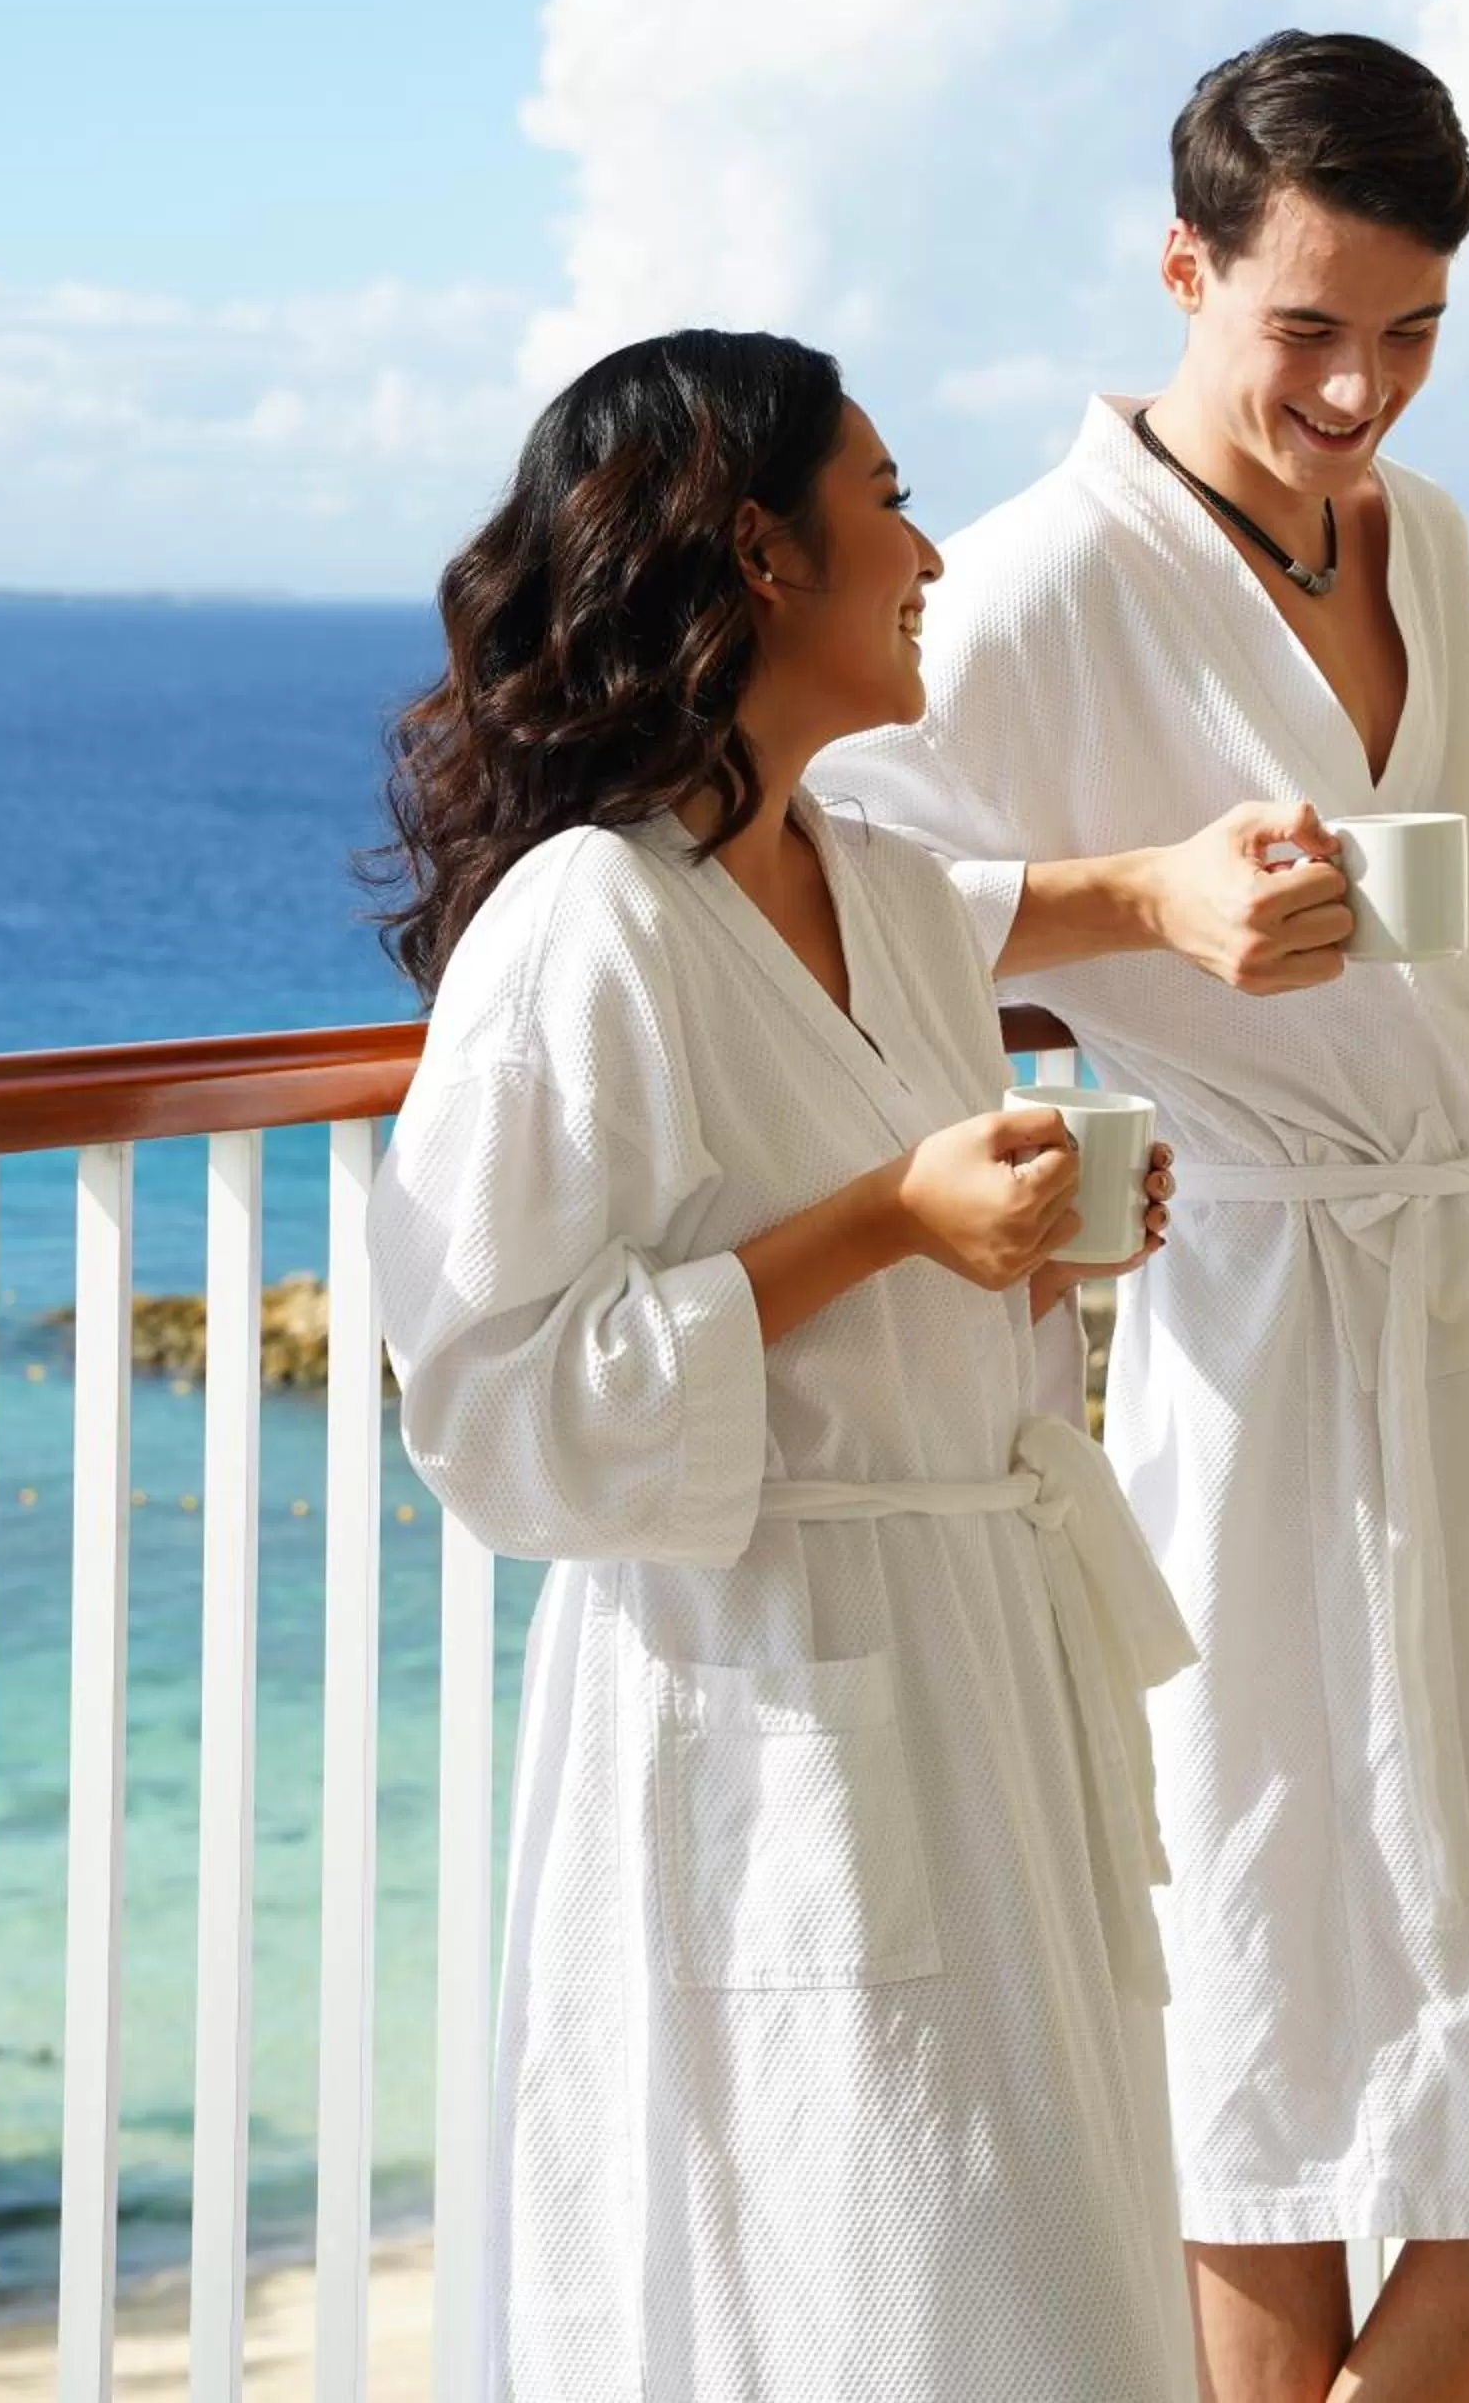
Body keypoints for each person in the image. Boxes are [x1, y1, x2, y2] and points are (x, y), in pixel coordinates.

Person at [817, 32, 1469, 2403]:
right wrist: (1134, 904)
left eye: (1414, 332)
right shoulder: (1034, 581)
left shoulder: (1424, 538)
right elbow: (813, 902)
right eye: (1309, 329)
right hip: (1256, 1324)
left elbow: (1390, 867)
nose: (1360, 393)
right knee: (1284, 1993)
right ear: (1184, 269)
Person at [367, 329, 1199, 2403]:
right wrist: (889, 1222)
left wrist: (1028, 1241)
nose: (931, 553)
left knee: (1058, 2290)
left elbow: (935, 1266)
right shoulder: (586, 928)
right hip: (767, 1704)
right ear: (757, 551)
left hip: (985, 1676)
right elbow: (492, 1412)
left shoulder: (892, 894)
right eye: (888, 501)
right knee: (868, 2298)